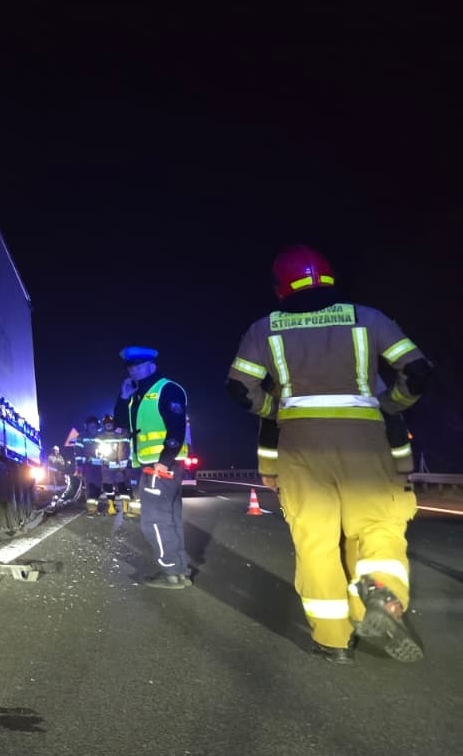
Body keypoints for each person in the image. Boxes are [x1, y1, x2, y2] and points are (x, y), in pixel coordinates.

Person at [227, 244, 430, 663]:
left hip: (300, 443)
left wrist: (275, 411)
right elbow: (417, 370)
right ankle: (380, 593)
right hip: (365, 441)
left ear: (281, 287)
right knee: (377, 527)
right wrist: (391, 403)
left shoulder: (264, 329)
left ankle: (333, 641)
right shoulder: (368, 318)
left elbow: (239, 388)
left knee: (316, 542)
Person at [115, 346, 191, 587]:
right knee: (170, 519)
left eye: (138, 365)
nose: (133, 370)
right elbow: (119, 424)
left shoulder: (167, 389)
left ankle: (170, 573)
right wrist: (123, 397)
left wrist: (164, 462)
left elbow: (176, 428)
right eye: (130, 367)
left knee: (154, 520)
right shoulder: (137, 396)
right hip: (154, 465)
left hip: (160, 465)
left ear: (152, 365)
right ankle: (179, 571)